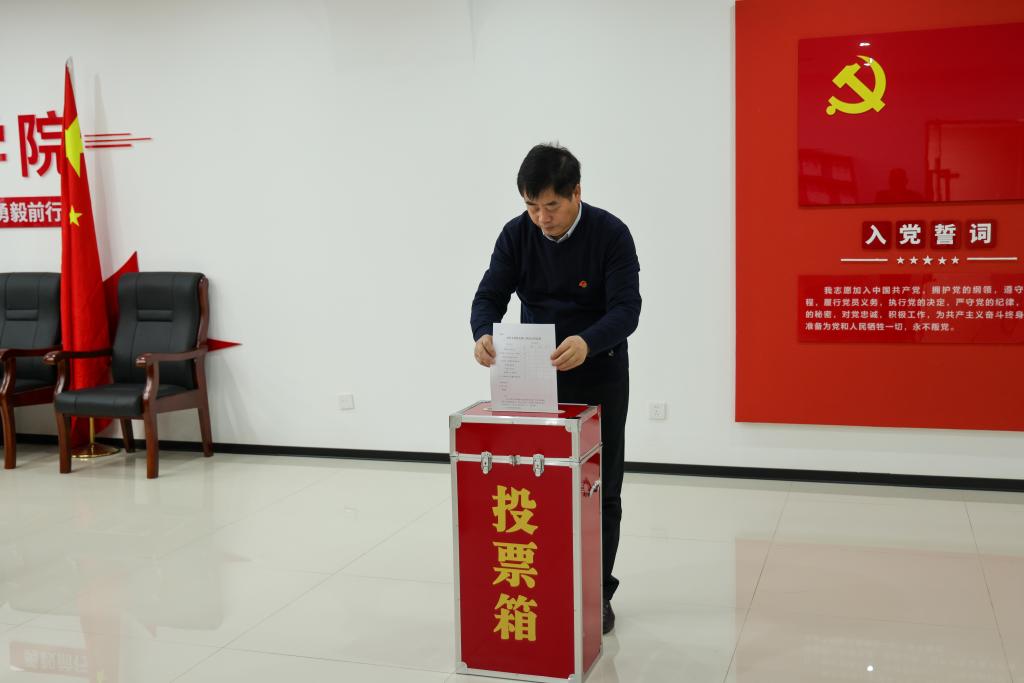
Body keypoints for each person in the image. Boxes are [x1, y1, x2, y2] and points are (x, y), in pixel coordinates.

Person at [470, 143, 641, 635]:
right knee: (536, 481)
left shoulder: (610, 234)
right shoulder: (517, 234)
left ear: (576, 193)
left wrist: (588, 342)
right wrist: (483, 332)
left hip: (599, 369)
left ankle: (597, 592)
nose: (541, 219)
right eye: (531, 206)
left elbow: (626, 310)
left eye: (551, 206)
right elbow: (489, 295)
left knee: (600, 488)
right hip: (535, 374)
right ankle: (546, 578)